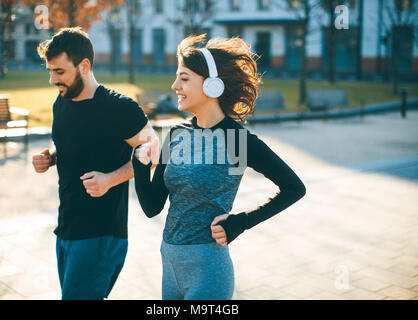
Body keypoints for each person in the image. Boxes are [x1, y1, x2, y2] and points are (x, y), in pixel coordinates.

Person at [132, 34, 306, 300]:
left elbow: (294, 188)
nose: (174, 85)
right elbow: (152, 206)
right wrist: (140, 165)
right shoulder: (176, 134)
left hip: (208, 270)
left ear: (212, 85)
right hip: (169, 262)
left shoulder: (235, 140)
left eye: (185, 78)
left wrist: (241, 222)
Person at [32, 27, 157, 300]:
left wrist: (110, 179)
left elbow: (155, 150)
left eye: (60, 71)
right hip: (66, 228)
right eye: (50, 71)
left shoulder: (119, 107)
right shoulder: (61, 101)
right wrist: (50, 157)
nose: (53, 79)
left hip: (100, 235)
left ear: (84, 65)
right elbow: (67, 141)